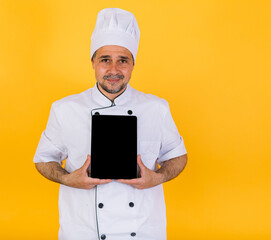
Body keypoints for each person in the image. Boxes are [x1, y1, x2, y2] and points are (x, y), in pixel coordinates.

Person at [34, 8, 188, 240]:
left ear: (133, 64)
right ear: (93, 62)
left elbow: (177, 156)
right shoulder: (65, 108)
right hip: (83, 232)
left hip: (145, 232)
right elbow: (43, 159)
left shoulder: (156, 107)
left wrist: (156, 178)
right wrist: (68, 179)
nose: (114, 70)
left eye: (122, 61)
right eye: (105, 60)